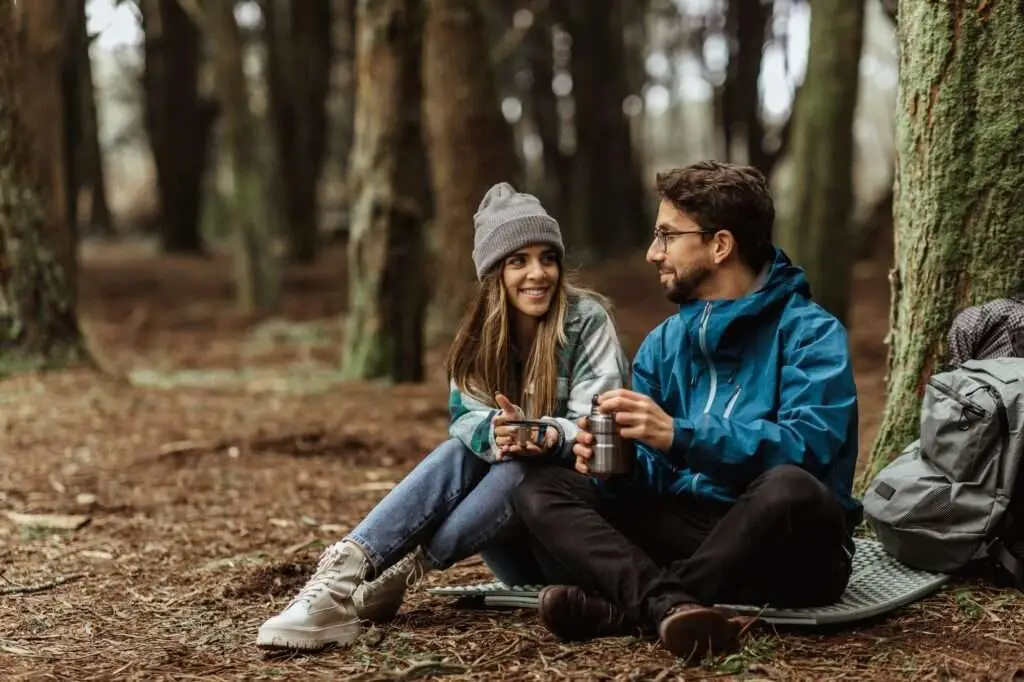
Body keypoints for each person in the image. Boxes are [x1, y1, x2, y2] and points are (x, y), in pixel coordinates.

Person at [512, 161, 862, 663]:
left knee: (791, 487)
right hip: (694, 535)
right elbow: (654, 474)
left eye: (667, 236)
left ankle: (625, 610)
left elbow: (810, 451)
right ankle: (668, 606)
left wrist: (681, 435)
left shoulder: (811, 333)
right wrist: (620, 468)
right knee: (542, 488)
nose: (653, 253)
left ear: (720, 245)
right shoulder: (663, 344)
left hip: (789, 549)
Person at [256, 182, 629, 650]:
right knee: (466, 450)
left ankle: (399, 573)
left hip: (576, 541)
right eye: (518, 260)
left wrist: (544, 436)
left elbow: (599, 423)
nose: (538, 273)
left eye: (547, 258)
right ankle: (340, 576)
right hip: (512, 549)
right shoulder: (477, 337)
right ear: (494, 272)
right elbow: (465, 420)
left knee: (521, 467)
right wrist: (497, 431)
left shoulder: (586, 319)